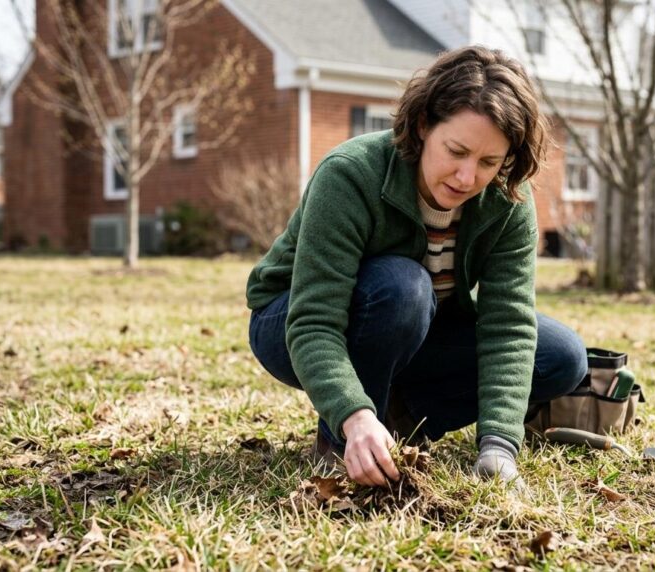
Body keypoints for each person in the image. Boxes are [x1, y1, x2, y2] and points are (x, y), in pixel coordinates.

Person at [246, 45, 587, 488]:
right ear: (425, 124)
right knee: (404, 286)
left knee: (561, 356)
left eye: (488, 161)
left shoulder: (507, 201)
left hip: (415, 328)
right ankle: (343, 439)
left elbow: (508, 326)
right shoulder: (350, 175)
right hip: (292, 321)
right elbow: (314, 321)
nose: (467, 177)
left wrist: (499, 446)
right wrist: (352, 415)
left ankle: (399, 416)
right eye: (456, 151)